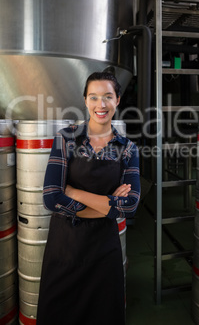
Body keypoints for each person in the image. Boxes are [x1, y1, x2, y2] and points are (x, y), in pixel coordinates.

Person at [36, 71, 140, 325]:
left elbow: (131, 205)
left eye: (107, 97)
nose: (100, 105)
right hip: (65, 249)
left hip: (104, 253)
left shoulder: (127, 148)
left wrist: (72, 192)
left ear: (118, 100)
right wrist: (108, 205)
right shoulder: (66, 138)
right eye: (93, 97)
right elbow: (51, 198)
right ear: (84, 100)